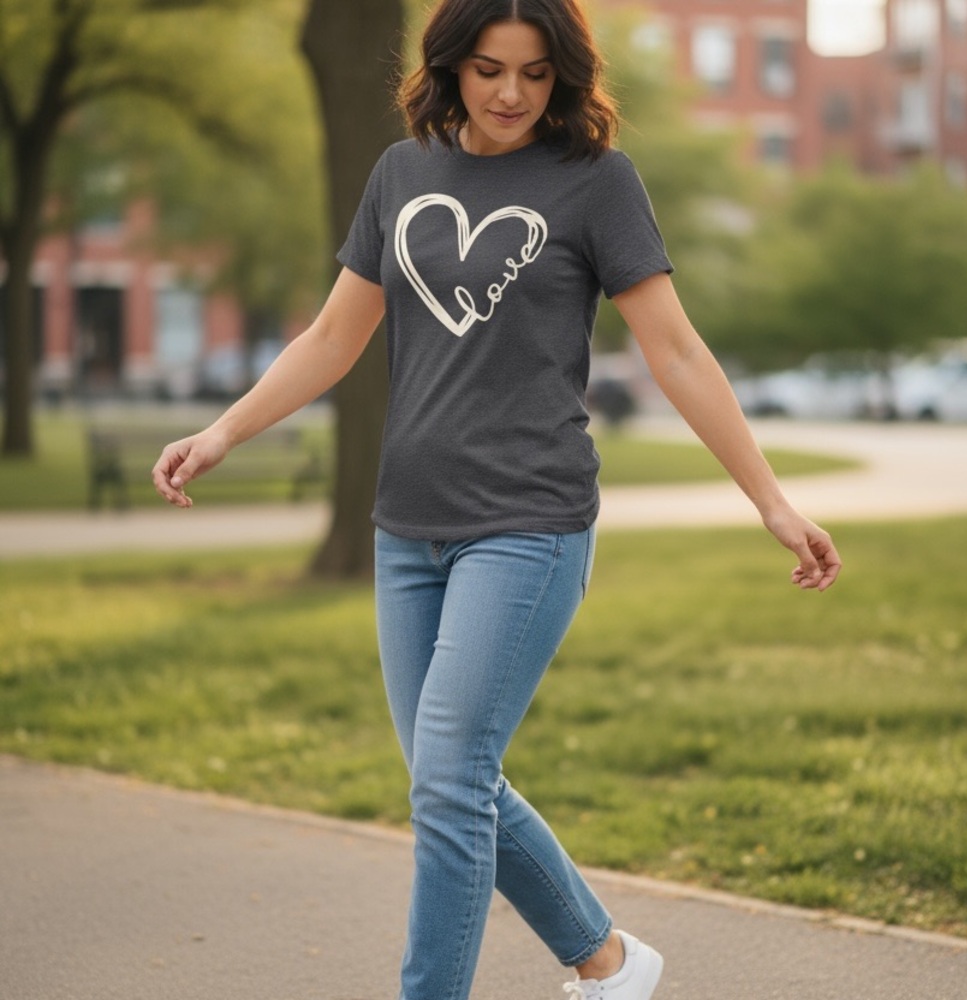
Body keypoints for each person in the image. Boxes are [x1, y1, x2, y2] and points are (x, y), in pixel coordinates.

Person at [152, 1, 842, 997]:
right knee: (452, 781)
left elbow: (676, 350)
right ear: (448, 70)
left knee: (447, 778)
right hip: (406, 529)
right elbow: (332, 338)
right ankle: (609, 964)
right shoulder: (401, 175)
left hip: (527, 525)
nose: (511, 94)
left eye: (532, 72)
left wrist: (771, 500)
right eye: (486, 70)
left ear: (563, 74)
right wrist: (221, 432)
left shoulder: (597, 184)